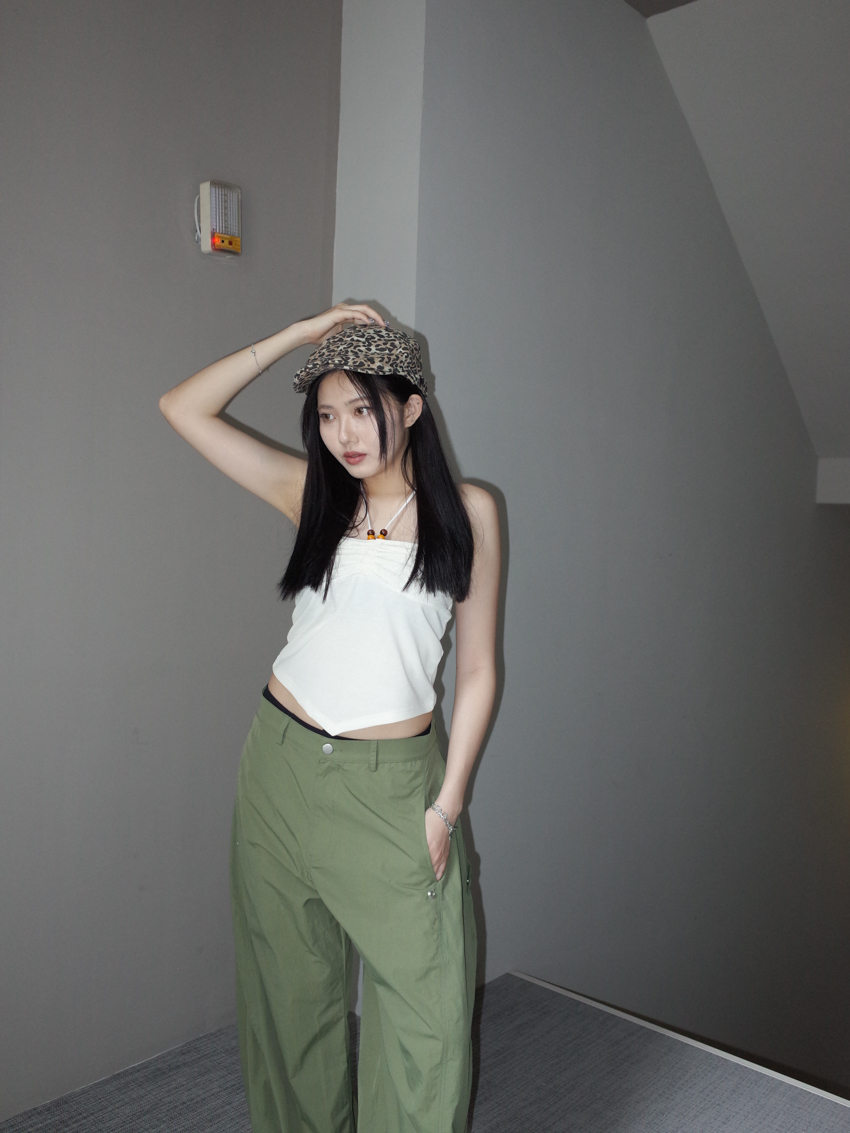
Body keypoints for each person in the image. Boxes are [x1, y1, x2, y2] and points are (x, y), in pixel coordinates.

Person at [159, 302, 500, 1133]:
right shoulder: (313, 494)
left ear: (409, 407)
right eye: (326, 413)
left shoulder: (468, 511)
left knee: (426, 1019)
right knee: (290, 1001)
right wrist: (294, 337)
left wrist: (447, 804)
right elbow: (183, 407)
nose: (344, 433)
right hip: (278, 769)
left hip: (393, 790)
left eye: (362, 409)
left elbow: (479, 669)